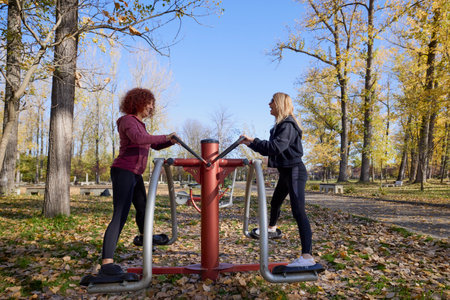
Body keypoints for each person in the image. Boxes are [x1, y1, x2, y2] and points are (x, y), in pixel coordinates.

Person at [99, 87, 177, 277]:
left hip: (135, 173)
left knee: (142, 208)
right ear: (137, 103)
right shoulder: (128, 121)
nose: (151, 108)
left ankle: (145, 239)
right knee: (120, 214)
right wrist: (165, 136)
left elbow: (153, 144)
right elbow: (138, 139)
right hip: (124, 171)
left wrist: (170, 141)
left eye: (152, 105)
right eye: (148, 104)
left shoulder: (140, 124)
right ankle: (107, 263)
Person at [240, 92, 315, 267]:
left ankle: (307, 256)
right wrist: (251, 142)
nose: (269, 104)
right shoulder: (280, 125)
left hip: (295, 171)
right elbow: (274, 148)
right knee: (275, 202)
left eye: (272, 101)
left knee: (298, 211)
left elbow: (275, 148)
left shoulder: (288, 124)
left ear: (280, 104)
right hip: (286, 171)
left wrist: (253, 142)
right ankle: (271, 229)